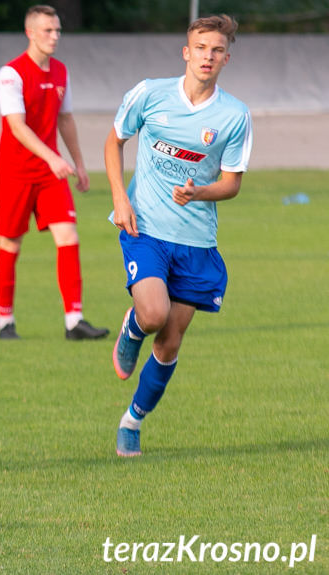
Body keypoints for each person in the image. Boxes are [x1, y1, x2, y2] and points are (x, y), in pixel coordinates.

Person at [105, 14, 252, 456]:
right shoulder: (150, 93)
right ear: (186, 52)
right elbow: (114, 142)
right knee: (152, 315)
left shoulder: (234, 116)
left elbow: (232, 183)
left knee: (170, 342)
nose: (208, 56)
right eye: (201, 47)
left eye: (217, 50)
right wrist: (121, 198)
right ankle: (131, 330)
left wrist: (201, 191)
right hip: (144, 226)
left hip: (197, 241)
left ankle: (133, 420)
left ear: (227, 57)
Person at [0, 4, 108, 341]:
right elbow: (17, 126)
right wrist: (52, 158)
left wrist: (79, 164)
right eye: (47, 30)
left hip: (49, 175)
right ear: (30, 32)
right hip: (15, 175)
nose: (55, 36)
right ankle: (5, 322)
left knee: (69, 237)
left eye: (57, 30)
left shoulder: (60, 71)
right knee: (10, 245)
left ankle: (75, 321)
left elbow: (66, 119)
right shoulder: (10, 74)